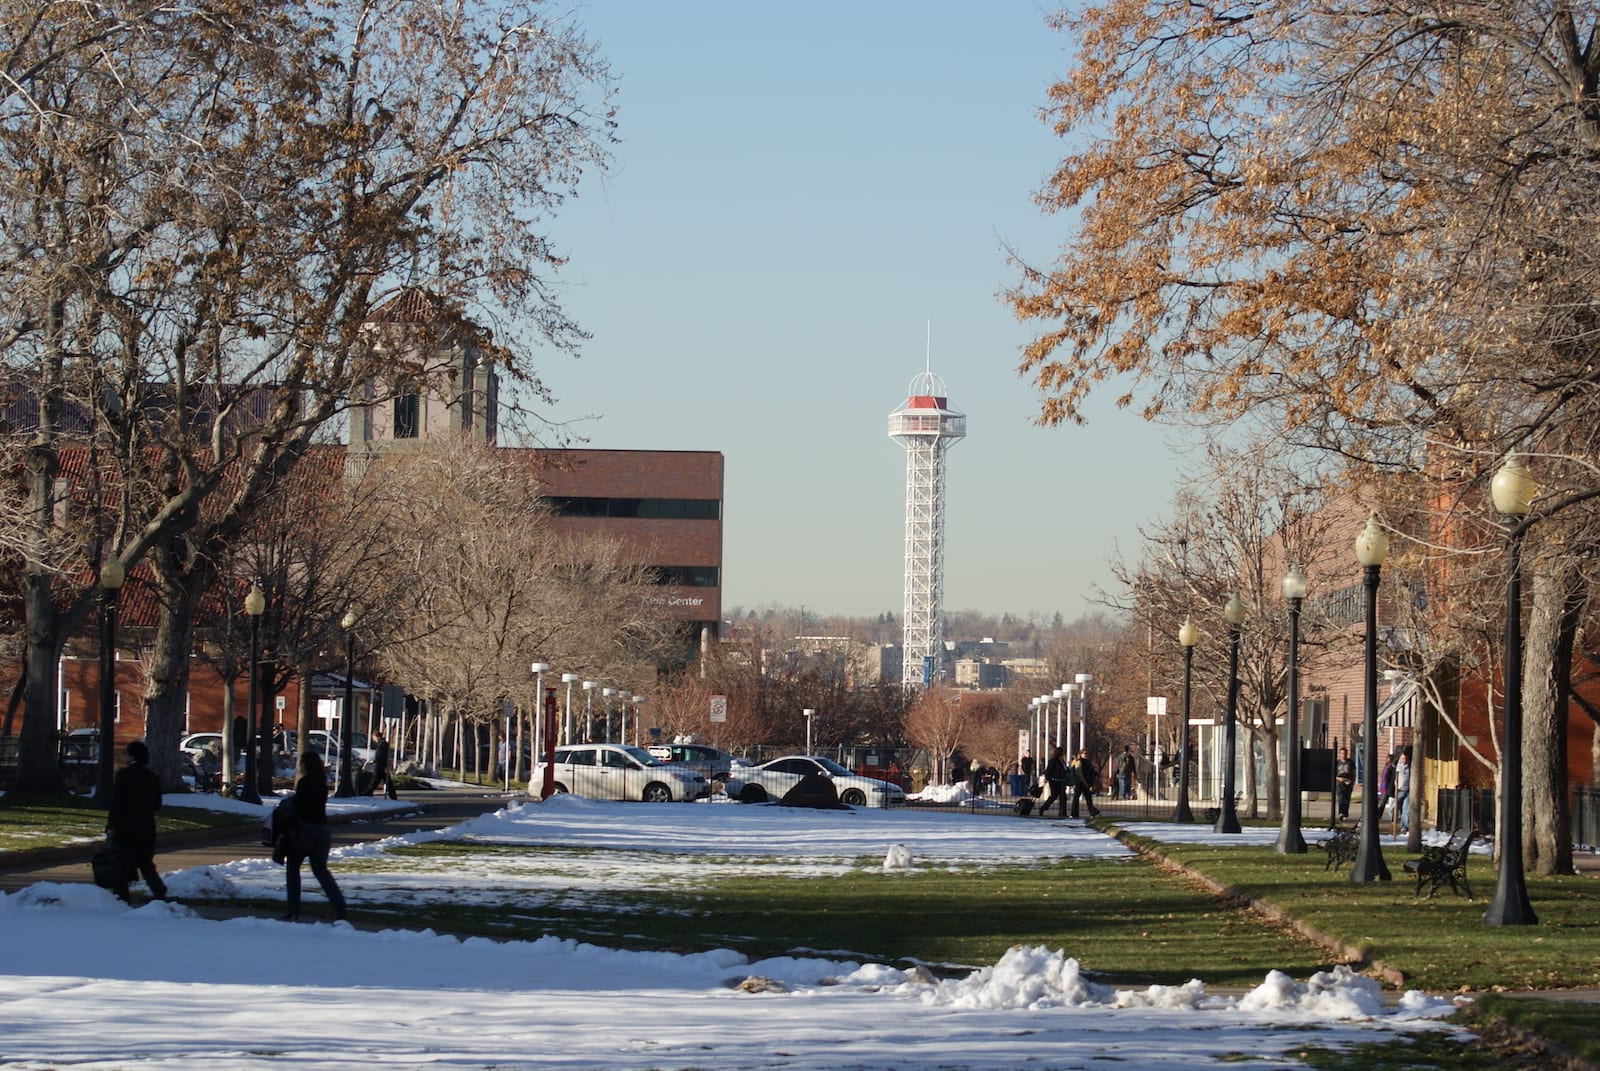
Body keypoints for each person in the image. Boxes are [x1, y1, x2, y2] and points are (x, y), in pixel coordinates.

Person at [282, 749, 347, 922]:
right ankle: (339, 904)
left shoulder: (304, 783)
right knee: (320, 870)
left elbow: (300, 806)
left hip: (306, 830)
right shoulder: (322, 783)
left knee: (293, 868)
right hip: (323, 829)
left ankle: (293, 909)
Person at [105, 739, 168, 903]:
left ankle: (122, 897)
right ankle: (158, 890)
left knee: (121, 864)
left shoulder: (123, 775)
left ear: (132, 756)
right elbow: (157, 804)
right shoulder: (152, 776)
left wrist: (111, 826)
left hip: (125, 828)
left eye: (126, 753)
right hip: (146, 827)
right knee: (145, 864)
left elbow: (117, 802)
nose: (124, 757)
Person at [1038, 747, 1070, 818]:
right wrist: (1047, 778)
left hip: (1061, 781)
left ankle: (1062, 813)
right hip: (1054, 780)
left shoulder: (1062, 761)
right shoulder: (1053, 760)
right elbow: (1049, 770)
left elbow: (1064, 770)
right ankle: (1043, 808)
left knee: (1063, 797)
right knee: (1054, 796)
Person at [1070, 749, 1101, 818]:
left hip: (1087, 782)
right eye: (1085, 753)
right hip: (1080, 782)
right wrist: (1084, 781)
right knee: (1076, 797)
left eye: (1087, 753)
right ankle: (1074, 813)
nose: (1086, 755)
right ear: (1081, 754)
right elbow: (1079, 773)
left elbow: (1092, 772)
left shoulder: (1088, 762)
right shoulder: (1079, 762)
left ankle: (1093, 812)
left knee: (1088, 798)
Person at [367, 730, 397, 800]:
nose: (373, 739)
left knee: (375, 781)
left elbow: (380, 756)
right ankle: (393, 795)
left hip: (380, 765)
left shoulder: (381, 745)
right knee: (386, 781)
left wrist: (374, 761)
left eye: (373, 737)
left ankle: (367, 793)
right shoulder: (383, 744)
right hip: (383, 765)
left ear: (377, 737)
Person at [1394, 746, 1412, 835]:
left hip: (1407, 791)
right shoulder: (1397, 767)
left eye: (1406, 758)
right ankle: (1394, 820)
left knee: (1406, 809)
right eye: (1402, 758)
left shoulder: (1410, 768)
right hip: (1399, 790)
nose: (1404, 760)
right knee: (1396, 807)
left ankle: (1404, 827)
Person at [1334, 747, 1355, 821]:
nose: (1344, 755)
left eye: (1345, 753)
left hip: (1348, 782)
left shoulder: (1350, 762)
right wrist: (1338, 778)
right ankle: (1341, 813)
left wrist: (1353, 782)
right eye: (1342, 753)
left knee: (1347, 799)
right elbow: (1333, 774)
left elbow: (1354, 773)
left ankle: (1345, 813)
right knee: (1341, 797)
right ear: (1340, 754)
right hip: (1339, 782)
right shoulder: (1337, 762)